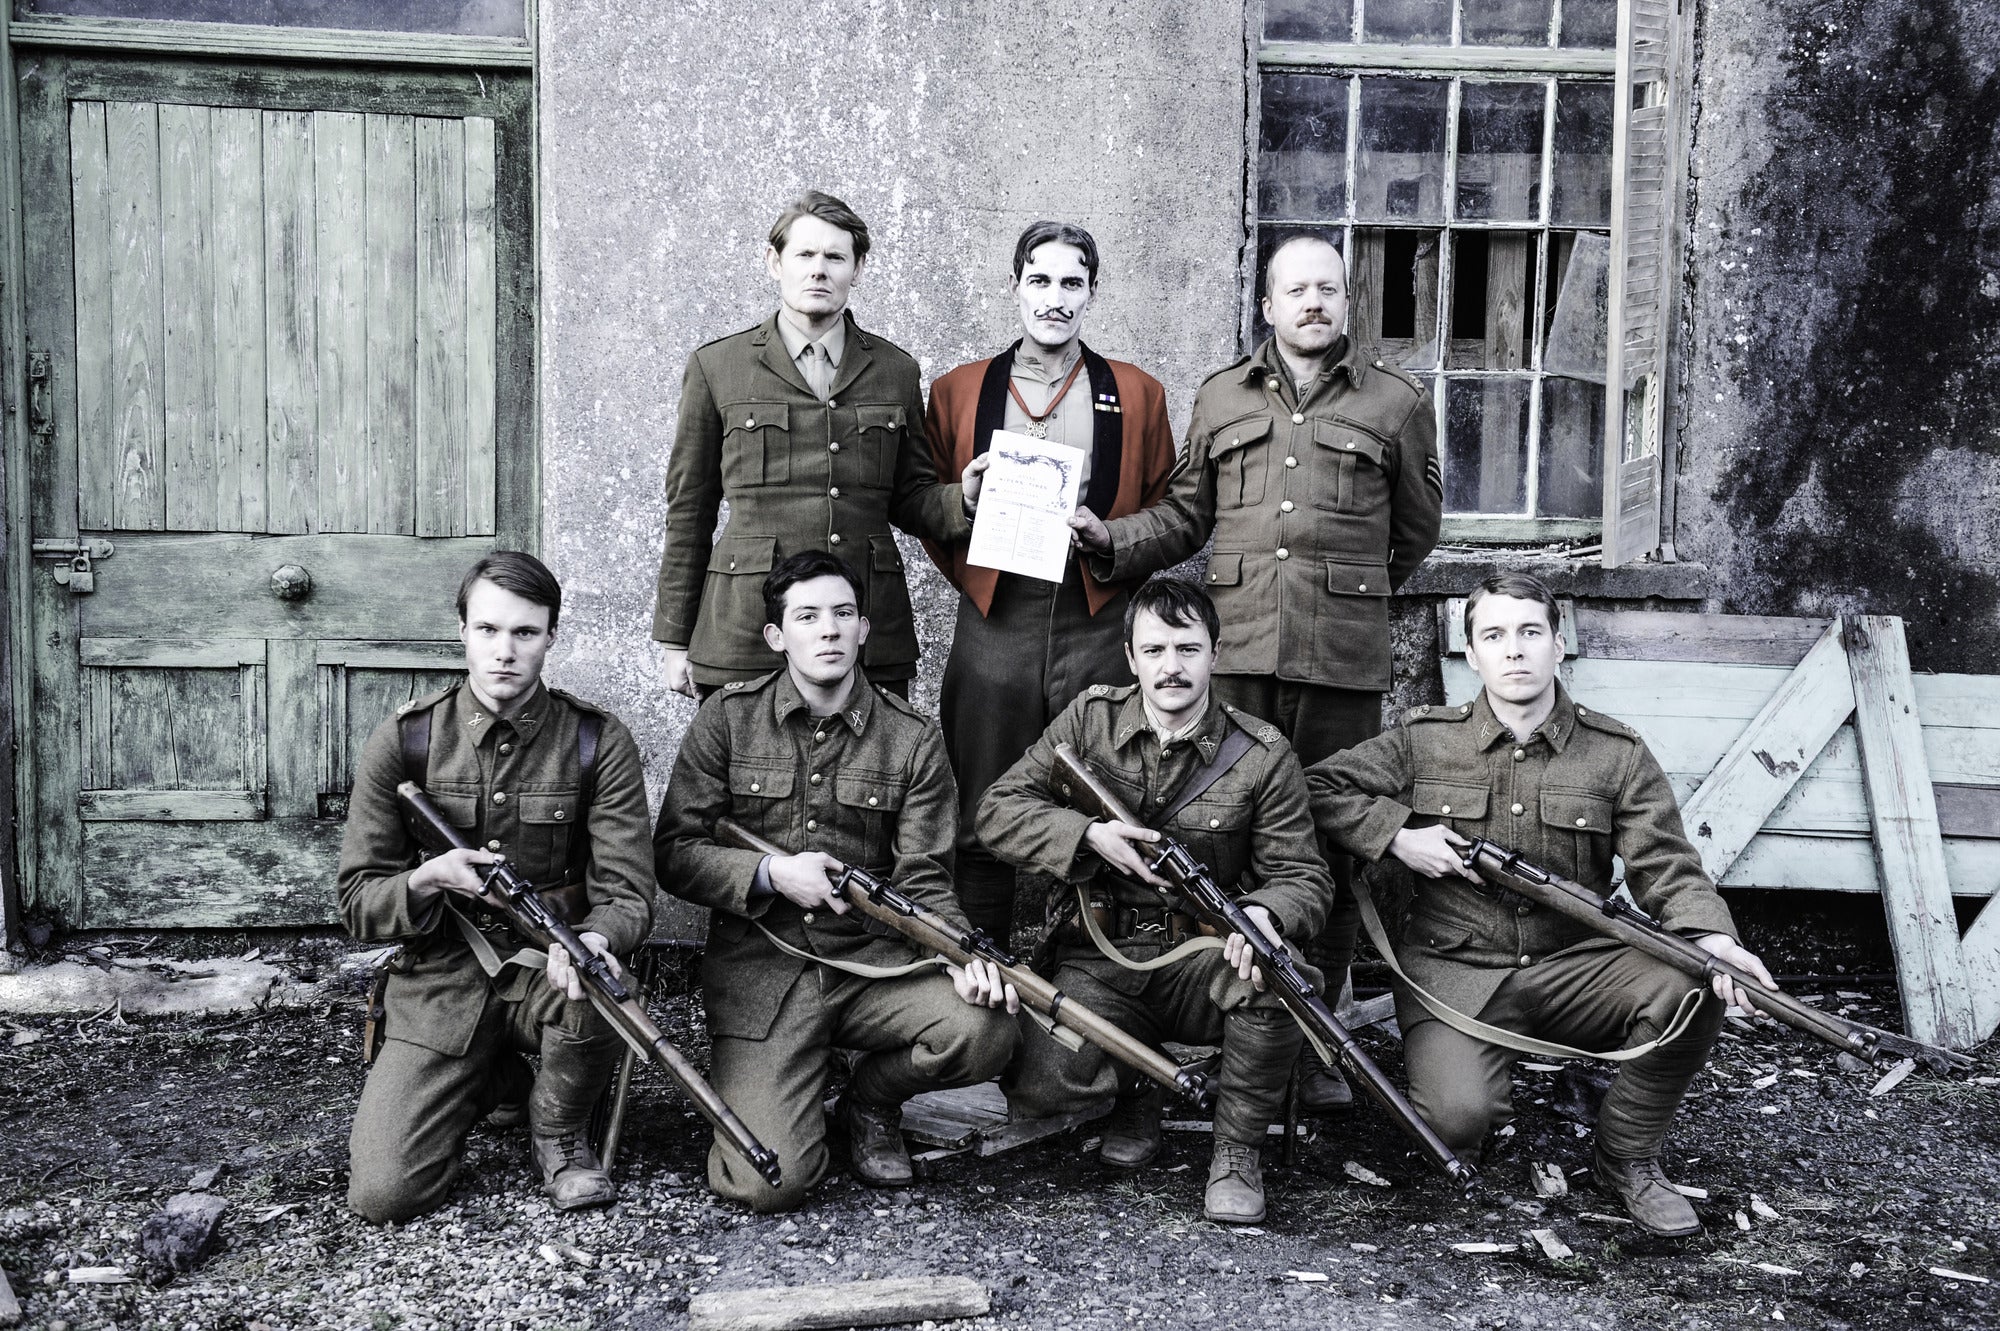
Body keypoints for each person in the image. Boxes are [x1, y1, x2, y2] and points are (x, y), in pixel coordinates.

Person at [1072, 233, 1443, 1110]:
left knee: (1335, 838)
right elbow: (1186, 516)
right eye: (1295, 290)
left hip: (1340, 662)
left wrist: (1343, 592)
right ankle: (1233, 1017)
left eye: (1327, 290)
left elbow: (1416, 532)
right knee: (1220, 837)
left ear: (1345, 303)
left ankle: (1322, 1033)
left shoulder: (1395, 403)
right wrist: (1112, 541)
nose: (1312, 303)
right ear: (1267, 306)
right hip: (1233, 655)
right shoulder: (1220, 396)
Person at [1305, 573, 1779, 1236]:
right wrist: (1398, 838)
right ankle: (1481, 1098)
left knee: (1693, 985)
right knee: (1453, 1123)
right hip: (1457, 973)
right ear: (1470, 655)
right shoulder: (1423, 740)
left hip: (1575, 965)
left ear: (1560, 644)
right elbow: (1320, 788)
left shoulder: (1615, 753)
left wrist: (1714, 940)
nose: (1514, 650)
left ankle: (1627, 1157)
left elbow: (1667, 867)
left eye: (1531, 632)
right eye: (1493, 635)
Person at [654, 550, 1021, 1212]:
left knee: (984, 1027)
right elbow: (676, 852)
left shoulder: (910, 738)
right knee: (767, 1180)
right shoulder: (726, 720)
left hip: (872, 962)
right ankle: (796, 1075)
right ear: (777, 635)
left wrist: (959, 952)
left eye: (843, 614)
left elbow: (926, 875)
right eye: (808, 616)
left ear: (863, 630)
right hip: (765, 974)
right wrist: (770, 873)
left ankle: (869, 1101)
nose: (827, 630)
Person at [975, 576, 1334, 1225]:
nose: (1172, 666)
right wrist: (1086, 833)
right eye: (1157, 649)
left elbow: (1304, 874)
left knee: (1278, 980)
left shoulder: (1261, 753)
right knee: (1039, 1079)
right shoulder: (1090, 719)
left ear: (1215, 654)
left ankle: (1236, 1149)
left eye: (1188, 648)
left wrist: (1265, 913)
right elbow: (996, 810)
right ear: (1131, 656)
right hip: (1102, 957)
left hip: (1203, 954)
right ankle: (1138, 1088)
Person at [340, 552, 655, 1222]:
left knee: (602, 985)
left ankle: (559, 1133)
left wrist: (593, 937)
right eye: (487, 630)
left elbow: (628, 891)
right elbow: (359, 901)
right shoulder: (407, 741)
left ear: (551, 636)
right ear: (461, 630)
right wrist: (430, 877)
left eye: (524, 633)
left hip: (550, 970)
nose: (504, 651)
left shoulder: (598, 742)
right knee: (384, 1194)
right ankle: (489, 1080)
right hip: (441, 977)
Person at [922, 220, 1179, 945]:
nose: (1055, 298)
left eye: (1072, 282)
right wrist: (973, 538)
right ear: (1015, 287)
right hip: (996, 613)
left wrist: (1112, 540)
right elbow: (922, 505)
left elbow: (1171, 510)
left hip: (1098, 609)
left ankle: (1095, 976)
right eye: (1040, 280)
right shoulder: (958, 390)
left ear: (1093, 292)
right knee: (984, 802)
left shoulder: (1136, 392)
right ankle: (982, 970)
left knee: (1107, 795)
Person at [651, 189, 987, 700]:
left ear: (858, 268)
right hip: (747, 628)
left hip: (865, 628)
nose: (819, 270)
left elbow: (911, 497)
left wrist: (961, 498)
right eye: (805, 254)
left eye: (835, 257)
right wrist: (675, 638)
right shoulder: (717, 367)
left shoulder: (896, 371)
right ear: (774, 262)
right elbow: (689, 509)